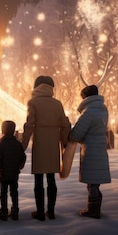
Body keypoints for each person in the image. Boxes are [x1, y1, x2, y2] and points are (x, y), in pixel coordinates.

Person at [21, 75, 71, 221]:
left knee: (38, 180)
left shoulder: (33, 103)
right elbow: (65, 124)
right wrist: (64, 142)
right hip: (53, 144)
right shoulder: (57, 104)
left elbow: (29, 126)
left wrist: (23, 146)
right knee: (51, 179)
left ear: (36, 86)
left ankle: (40, 212)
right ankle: (51, 211)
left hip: (40, 143)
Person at [68, 85, 111, 219]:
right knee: (95, 182)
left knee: (92, 184)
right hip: (100, 148)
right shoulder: (103, 110)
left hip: (91, 150)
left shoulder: (88, 112)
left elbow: (76, 134)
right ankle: (95, 208)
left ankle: (93, 210)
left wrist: (69, 130)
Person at [0, 120, 26, 221]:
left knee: (3, 193)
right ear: (13, 131)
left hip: (3, 174)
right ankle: (15, 212)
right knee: (14, 192)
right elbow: (23, 157)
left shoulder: (0, 145)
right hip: (14, 174)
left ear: (3, 130)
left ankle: (4, 212)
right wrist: (19, 166)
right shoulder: (18, 145)